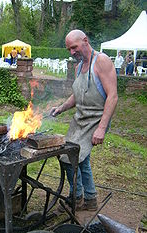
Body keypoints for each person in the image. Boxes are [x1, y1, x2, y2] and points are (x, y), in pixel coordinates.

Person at [50, 30, 118, 211]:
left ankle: (76, 198)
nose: (72, 52)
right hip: (79, 119)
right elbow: (77, 94)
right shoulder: (78, 66)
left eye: (74, 47)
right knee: (81, 159)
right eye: (69, 49)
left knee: (69, 158)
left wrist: (102, 128)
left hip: (96, 120)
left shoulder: (101, 61)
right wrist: (61, 108)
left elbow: (112, 96)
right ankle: (90, 198)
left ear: (85, 41)